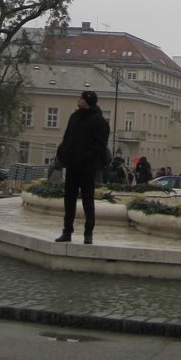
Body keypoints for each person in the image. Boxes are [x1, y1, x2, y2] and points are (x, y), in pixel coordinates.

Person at [54, 90, 110, 245]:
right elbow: (67, 137)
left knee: (88, 201)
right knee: (69, 200)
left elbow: (100, 145)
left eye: (81, 98)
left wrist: (85, 158)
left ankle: (88, 233)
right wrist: (62, 152)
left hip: (87, 168)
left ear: (87, 101)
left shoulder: (99, 121)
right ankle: (67, 231)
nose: (78, 100)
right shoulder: (74, 117)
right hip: (72, 166)